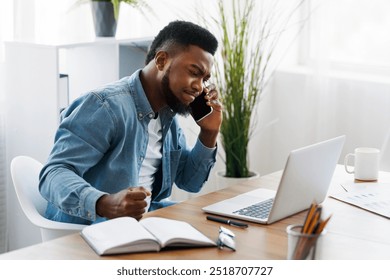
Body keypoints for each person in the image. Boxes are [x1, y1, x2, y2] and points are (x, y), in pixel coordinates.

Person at [38, 20, 222, 225]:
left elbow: (190, 182)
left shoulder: (168, 117)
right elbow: (53, 174)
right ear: (161, 60)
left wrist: (209, 133)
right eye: (194, 72)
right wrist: (105, 203)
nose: (199, 87)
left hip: (145, 220)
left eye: (204, 79)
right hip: (94, 227)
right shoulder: (105, 107)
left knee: (214, 225)